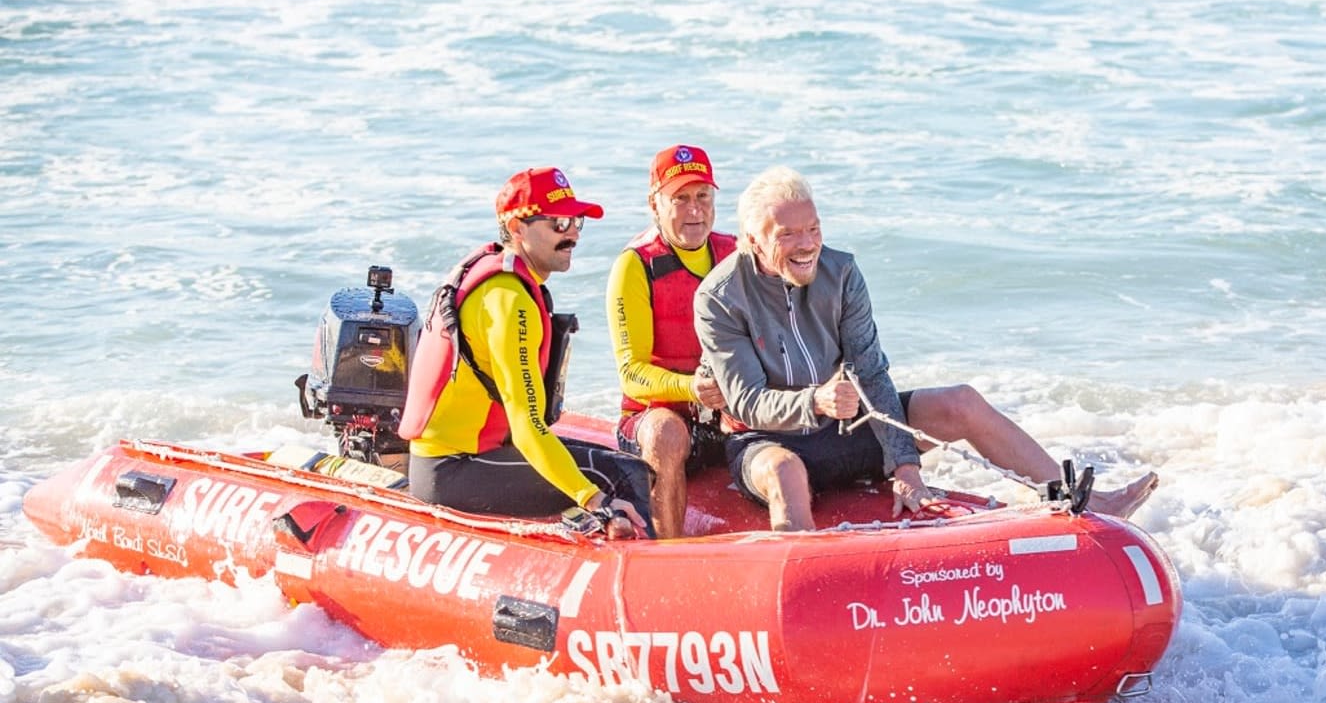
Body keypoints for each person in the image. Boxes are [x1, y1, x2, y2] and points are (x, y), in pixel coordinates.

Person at [694, 165, 1158, 531]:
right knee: (784, 475)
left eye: (813, 229)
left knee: (960, 402)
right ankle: (804, 584)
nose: (807, 245)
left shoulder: (842, 273)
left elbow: (871, 372)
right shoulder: (720, 297)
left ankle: (1085, 500)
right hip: (767, 442)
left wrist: (905, 463)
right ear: (753, 241)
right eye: (788, 235)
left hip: (846, 431)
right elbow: (748, 402)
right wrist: (813, 401)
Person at [400, 166, 653, 538]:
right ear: (517, 228)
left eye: (576, 222)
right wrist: (592, 499)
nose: (572, 235)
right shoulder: (509, 300)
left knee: (614, 466)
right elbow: (527, 426)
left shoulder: (500, 274)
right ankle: (642, 574)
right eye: (559, 223)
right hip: (454, 469)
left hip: (461, 458)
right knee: (622, 474)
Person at [605, 145, 738, 538]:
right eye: (679, 198)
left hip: (724, 416)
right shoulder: (635, 265)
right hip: (653, 421)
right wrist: (691, 389)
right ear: (655, 204)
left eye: (702, 197)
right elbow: (631, 374)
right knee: (667, 432)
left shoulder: (735, 254)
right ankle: (667, 549)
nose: (694, 209)